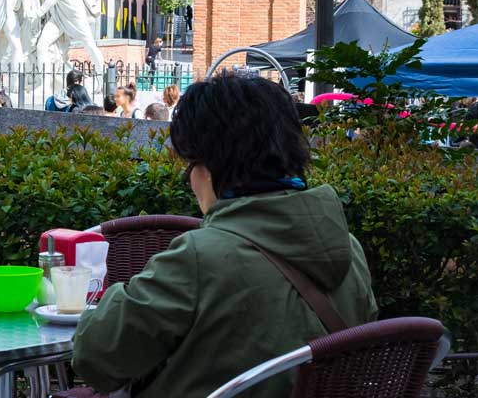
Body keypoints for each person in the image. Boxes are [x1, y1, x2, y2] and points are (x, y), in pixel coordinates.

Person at [72, 73, 378, 398]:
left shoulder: (200, 257)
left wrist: (115, 297)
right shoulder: (349, 247)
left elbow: (95, 357)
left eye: (189, 165)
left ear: (210, 166)